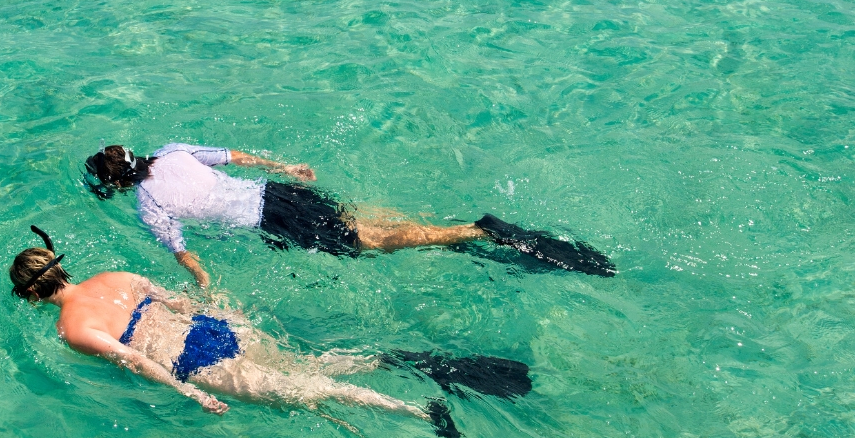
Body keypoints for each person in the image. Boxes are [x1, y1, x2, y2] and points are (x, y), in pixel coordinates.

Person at [10, 227, 533, 438]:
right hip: (216, 329)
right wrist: (222, 311)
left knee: (311, 391)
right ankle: (400, 361)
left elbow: (136, 359)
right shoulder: (115, 276)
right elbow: (179, 301)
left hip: (196, 363)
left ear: (33, 292)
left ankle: (422, 412)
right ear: (58, 263)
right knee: (308, 366)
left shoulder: (71, 329)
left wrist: (189, 394)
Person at [83, 141, 614, 290]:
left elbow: (183, 253)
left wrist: (205, 285)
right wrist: (287, 167)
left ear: (117, 183)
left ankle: (475, 231)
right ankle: (451, 233)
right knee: (364, 220)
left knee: (370, 242)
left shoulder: (149, 206)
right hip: (280, 194)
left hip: (275, 222)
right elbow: (236, 156)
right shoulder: (172, 150)